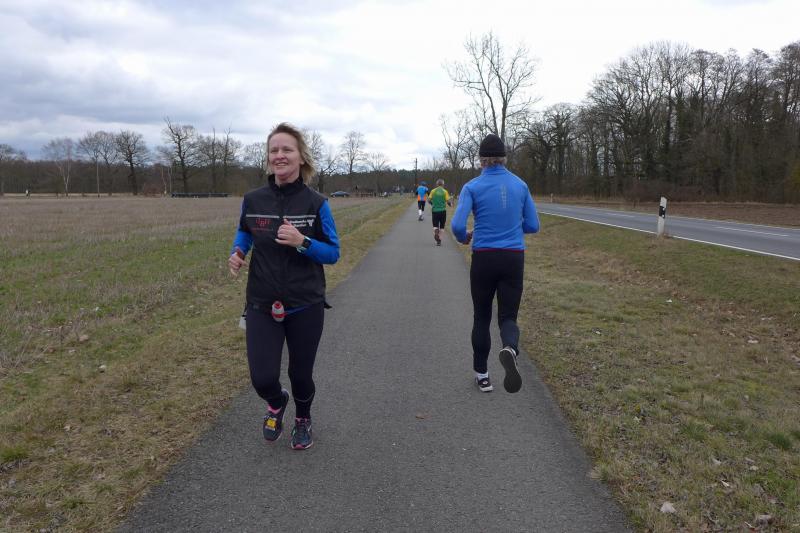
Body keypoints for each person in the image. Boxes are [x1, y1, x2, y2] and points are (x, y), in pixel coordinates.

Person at [228, 122, 340, 449]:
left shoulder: (316, 203)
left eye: (287, 149)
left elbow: (333, 253)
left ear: (301, 157)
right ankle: (277, 401)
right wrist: (238, 252)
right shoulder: (253, 200)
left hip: (305, 303)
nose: (279, 155)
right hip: (262, 302)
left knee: (301, 374)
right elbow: (245, 231)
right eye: (273, 150)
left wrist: (303, 242)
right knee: (262, 377)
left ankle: (303, 418)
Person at [451, 133, 540, 393]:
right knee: (508, 316)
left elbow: (457, 225)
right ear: (504, 158)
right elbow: (533, 225)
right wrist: (511, 226)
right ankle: (510, 348)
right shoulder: (520, 185)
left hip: (484, 257)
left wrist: (464, 237)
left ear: (481, 160)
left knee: (481, 316)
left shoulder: (472, 187)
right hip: (513, 257)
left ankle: (483, 376)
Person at [427, 178, 452, 246]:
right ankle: (439, 240)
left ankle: (436, 232)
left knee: (435, 225)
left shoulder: (433, 191)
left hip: (435, 211)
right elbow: (448, 201)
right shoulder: (445, 191)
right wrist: (450, 204)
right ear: (443, 184)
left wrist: (432, 204)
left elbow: (428, 200)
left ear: (437, 184)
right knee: (442, 226)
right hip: (443, 211)